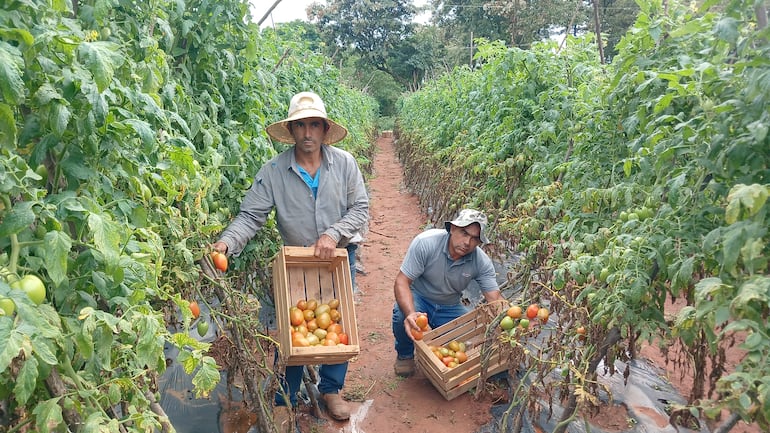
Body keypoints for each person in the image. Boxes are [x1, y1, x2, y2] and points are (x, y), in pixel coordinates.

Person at [207, 91, 369, 429]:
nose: (308, 133)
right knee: (295, 329)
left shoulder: (345, 163)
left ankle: (331, 390)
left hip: (338, 255)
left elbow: (361, 209)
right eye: (300, 126)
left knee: (338, 325)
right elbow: (251, 216)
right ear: (292, 131)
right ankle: (284, 396)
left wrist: (333, 234)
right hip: (296, 262)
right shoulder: (274, 171)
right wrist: (226, 242)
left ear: (325, 129)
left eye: (314, 125)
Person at [391, 208, 504, 377]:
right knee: (402, 316)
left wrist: (514, 320)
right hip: (421, 297)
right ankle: (405, 355)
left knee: (469, 336)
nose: (467, 242)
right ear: (452, 228)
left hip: (449, 306)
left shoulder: (481, 262)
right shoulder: (426, 243)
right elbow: (402, 281)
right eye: (464, 233)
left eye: (474, 238)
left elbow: (494, 299)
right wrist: (411, 313)